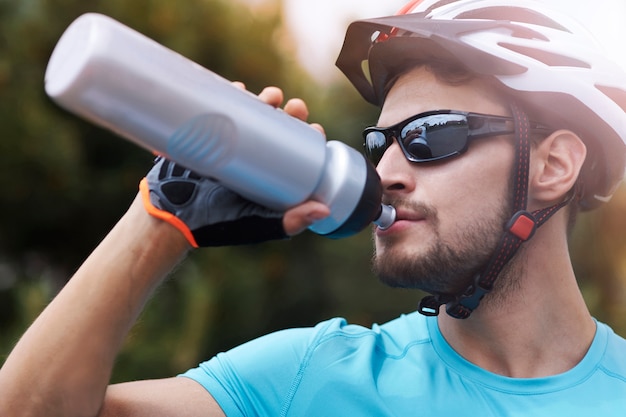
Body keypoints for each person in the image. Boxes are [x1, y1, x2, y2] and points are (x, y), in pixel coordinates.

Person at [2, 0, 626, 415]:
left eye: (430, 138)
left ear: (552, 166)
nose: (384, 174)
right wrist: (162, 215)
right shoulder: (310, 376)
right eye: (377, 144)